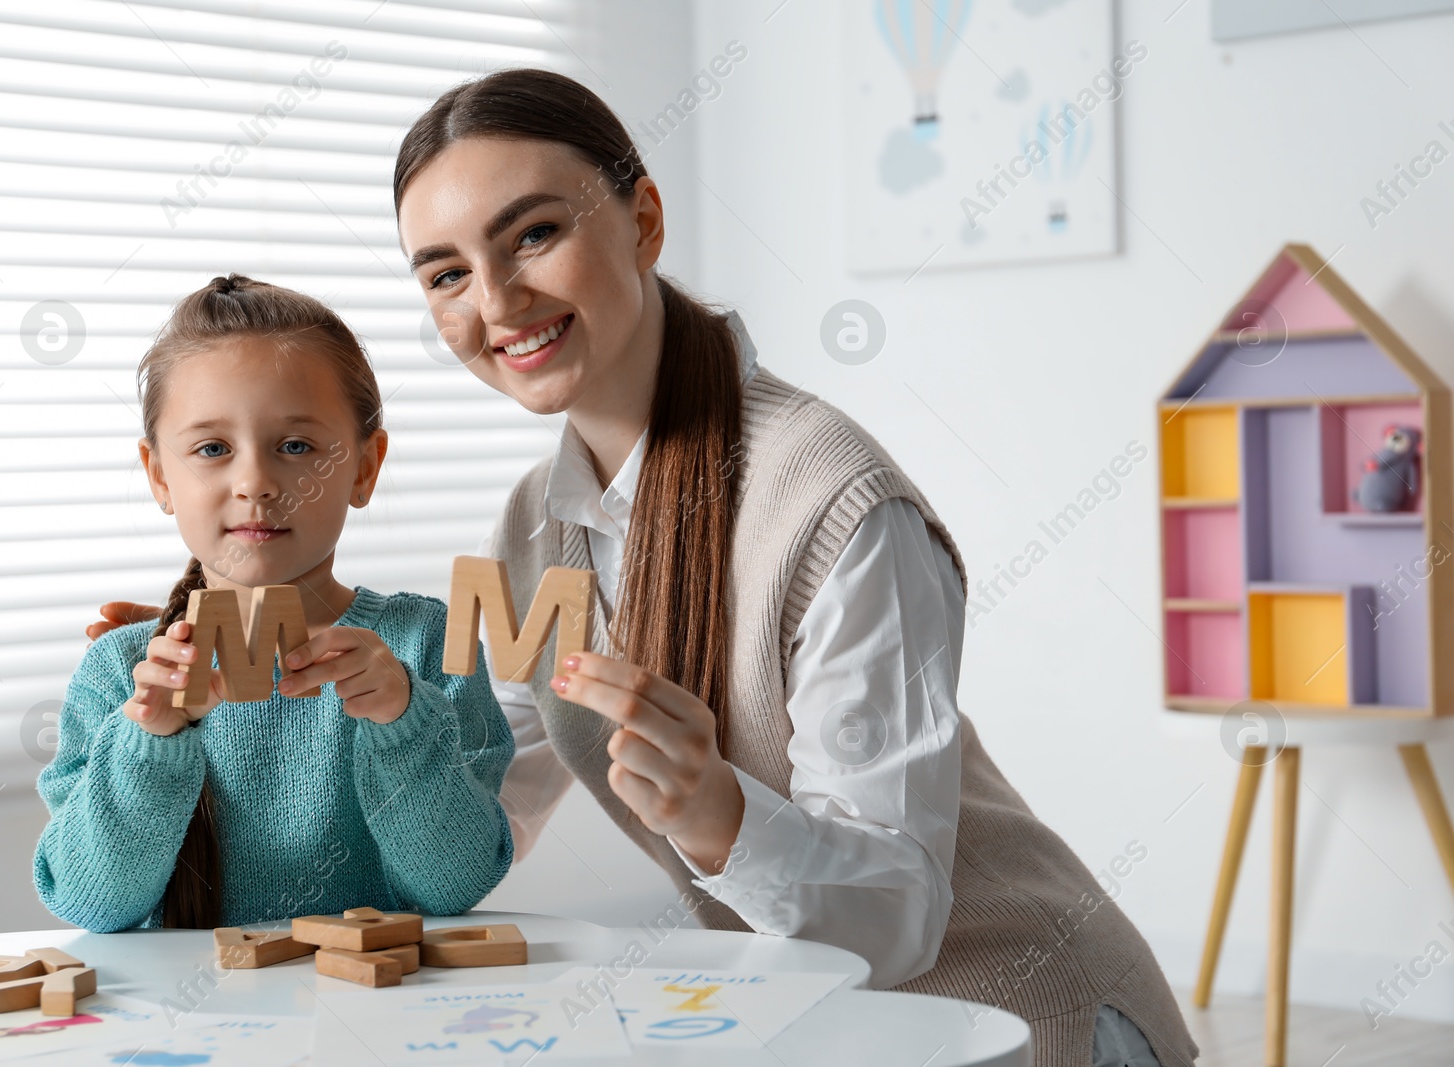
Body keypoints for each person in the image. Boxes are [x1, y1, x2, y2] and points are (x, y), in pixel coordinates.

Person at [89, 71, 1198, 1066]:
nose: (496, 301)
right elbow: (484, 794)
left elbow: (897, 915)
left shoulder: (834, 499)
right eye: (445, 273)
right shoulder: (535, 523)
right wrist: (253, 667)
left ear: (644, 218)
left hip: (1016, 1021)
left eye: (531, 235)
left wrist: (720, 809)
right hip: (832, 1025)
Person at [39, 274, 514, 932]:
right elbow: (93, 904)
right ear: (159, 475)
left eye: (296, 446)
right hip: (193, 1029)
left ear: (364, 468)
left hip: (383, 1016)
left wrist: (402, 720)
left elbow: (451, 886)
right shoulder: (123, 671)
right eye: (212, 448)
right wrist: (150, 739)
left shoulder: (426, 646)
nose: (255, 482)